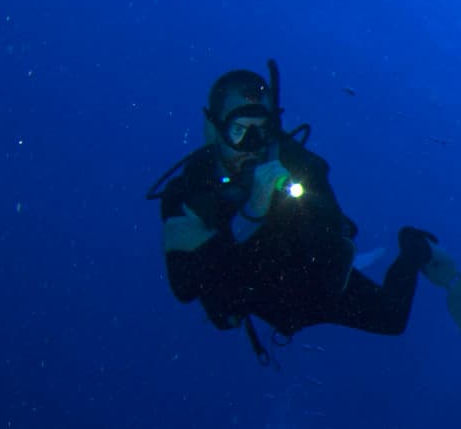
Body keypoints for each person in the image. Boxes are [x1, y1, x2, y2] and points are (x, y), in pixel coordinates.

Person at [152, 61, 438, 359]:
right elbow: (185, 289)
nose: (250, 145)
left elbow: (328, 265)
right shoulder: (186, 192)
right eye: (238, 130)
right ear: (212, 128)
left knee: (392, 319)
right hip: (256, 301)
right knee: (226, 309)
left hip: (312, 291)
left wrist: (216, 244)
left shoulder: (300, 168)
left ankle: (414, 248)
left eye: (260, 131)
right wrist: (252, 214)